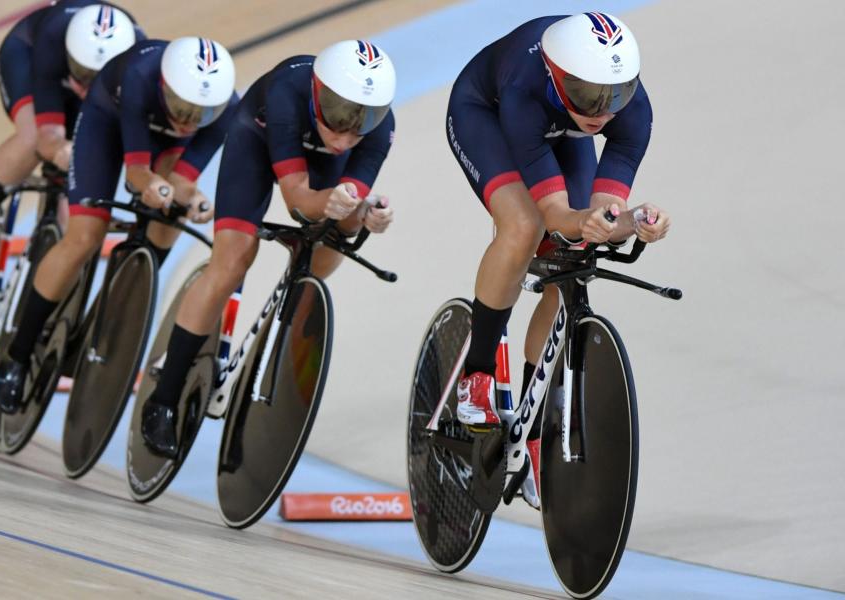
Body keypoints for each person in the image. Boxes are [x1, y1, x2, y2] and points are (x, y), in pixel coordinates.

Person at [445, 13, 671, 506]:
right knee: (525, 227)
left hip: (558, 132)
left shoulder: (629, 110)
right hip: (487, 113)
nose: (603, 110)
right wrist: (586, 222)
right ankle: (477, 375)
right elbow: (557, 214)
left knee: (574, 252)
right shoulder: (527, 87)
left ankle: (530, 420)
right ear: (555, 73)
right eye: (590, 95)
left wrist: (632, 220)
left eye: (616, 94)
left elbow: (598, 215)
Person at [139, 40, 398, 458]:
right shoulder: (285, 94)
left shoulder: (379, 130)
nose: (348, 135)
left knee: (327, 246)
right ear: (317, 93)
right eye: (339, 117)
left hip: (317, 169)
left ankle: (271, 348)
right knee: (234, 259)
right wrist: (335, 203)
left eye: (363, 122)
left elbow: (346, 205)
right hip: (257, 145)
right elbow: (298, 199)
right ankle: (163, 399)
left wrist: (367, 214)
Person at [0, 37, 239, 414]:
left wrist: (194, 200)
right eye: (183, 107)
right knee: (85, 237)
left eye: (201, 113)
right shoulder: (140, 77)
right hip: (107, 123)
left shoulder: (225, 109)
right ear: (165, 85)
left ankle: (132, 281)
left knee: (171, 210)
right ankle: (18, 355)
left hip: (165, 142)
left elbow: (184, 182)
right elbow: (137, 173)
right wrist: (152, 185)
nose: (189, 120)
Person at [0, 2, 141, 286]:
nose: (87, 85)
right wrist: (60, 151)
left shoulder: (138, 62)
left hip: (92, 82)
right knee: (32, 141)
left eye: (96, 78)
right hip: (28, 59)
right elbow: (48, 137)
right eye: (83, 73)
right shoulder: (52, 40)